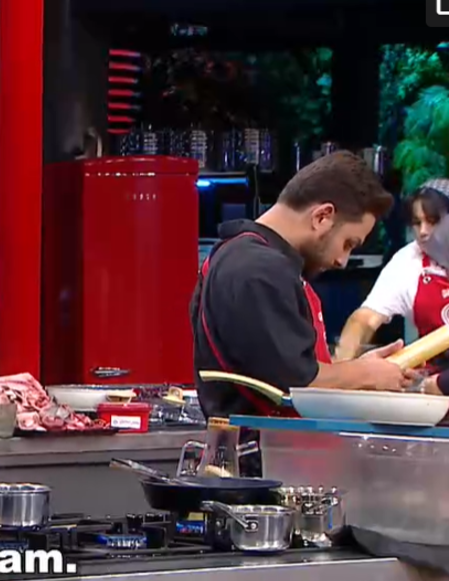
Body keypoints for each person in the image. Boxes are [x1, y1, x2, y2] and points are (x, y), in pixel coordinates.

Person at [191, 152, 415, 473]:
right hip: (257, 476)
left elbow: (282, 370)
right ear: (322, 216)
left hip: (279, 466)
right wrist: (365, 374)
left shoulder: (250, 258)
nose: (342, 261)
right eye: (348, 243)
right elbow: (297, 384)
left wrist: (358, 371)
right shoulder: (258, 268)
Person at [335, 179, 449, 393]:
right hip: (432, 390)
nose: (423, 232)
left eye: (433, 221)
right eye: (417, 223)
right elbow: (365, 319)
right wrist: (341, 372)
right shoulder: (409, 261)